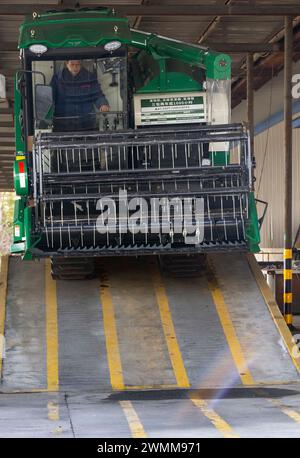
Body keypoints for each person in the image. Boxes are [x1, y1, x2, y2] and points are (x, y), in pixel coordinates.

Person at [51, 60, 109, 131]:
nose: (75, 67)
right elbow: (50, 97)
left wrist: (103, 104)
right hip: (63, 124)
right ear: (66, 64)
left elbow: (97, 95)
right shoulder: (57, 79)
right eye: (72, 65)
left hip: (86, 124)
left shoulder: (89, 77)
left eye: (78, 65)